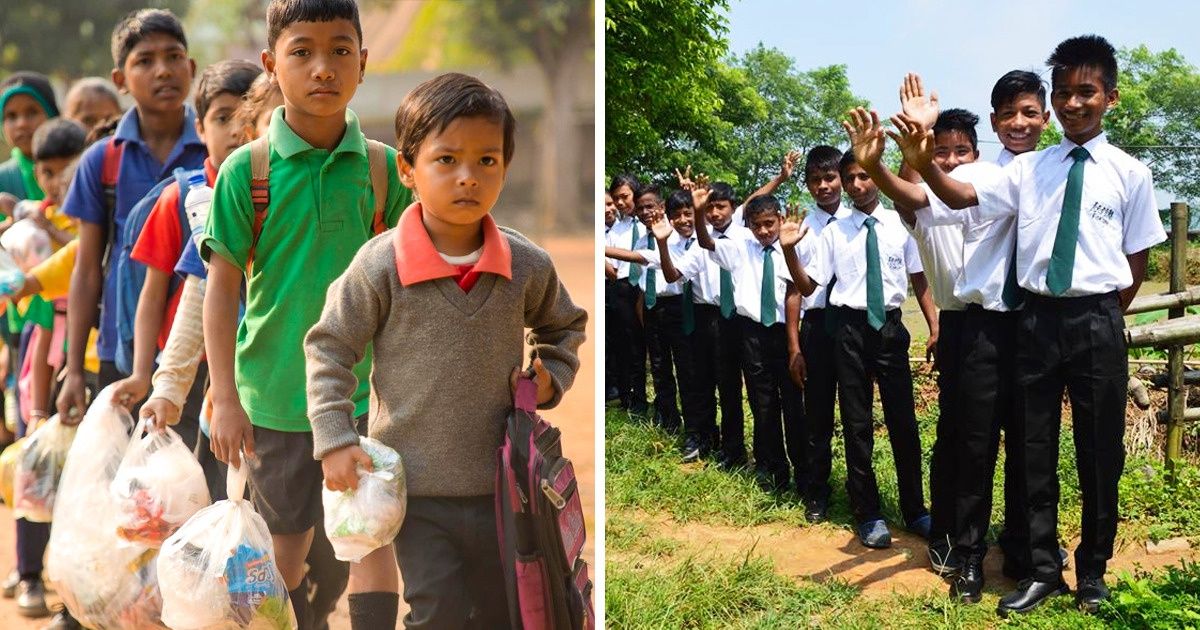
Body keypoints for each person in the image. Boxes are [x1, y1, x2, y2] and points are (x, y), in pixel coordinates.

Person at [892, 35, 1166, 615]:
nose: (1073, 103)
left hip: (1095, 318)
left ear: (1110, 98)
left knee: (1099, 451)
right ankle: (1042, 568)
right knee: (1034, 450)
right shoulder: (1029, 169)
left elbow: (1136, 258)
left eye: (1084, 92)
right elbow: (960, 194)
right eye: (1063, 92)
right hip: (1035, 322)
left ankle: (1093, 570)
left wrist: (1101, 313)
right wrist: (919, 160)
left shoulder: (1130, 173)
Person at [306, 71, 586, 629]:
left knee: (501, 612)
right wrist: (334, 438)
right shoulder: (379, 265)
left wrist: (549, 377)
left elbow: (565, 328)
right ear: (408, 170)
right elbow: (330, 347)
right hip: (417, 490)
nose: (468, 177)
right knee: (438, 611)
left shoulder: (526, 265)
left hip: (504, 488)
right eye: (447, 160)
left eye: (487, 161)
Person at [199, 1, 412, 627]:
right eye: (303, 52)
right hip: (276, 399)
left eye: (341, 50)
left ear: (364, 63)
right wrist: (226, 396)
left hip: (367, 397)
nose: (324, 68)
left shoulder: (382, 168)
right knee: (282, 551)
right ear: (271, 65)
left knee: (372, 538)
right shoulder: (248, 171)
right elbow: (220, 291)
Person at [108, 59, 261, 503]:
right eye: (222, 118)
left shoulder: (277, 192)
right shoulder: (186, 200)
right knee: (207, 485)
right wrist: (147, 374)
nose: (236, 131)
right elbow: (159, 295)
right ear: (200, 126)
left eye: (249, 119)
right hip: (199, 370)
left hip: (268, 369)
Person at [57, 8, 206, 419]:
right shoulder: (103, 161)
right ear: (120, 80)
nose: (164, 71)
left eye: (174, 57)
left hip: (202, 351)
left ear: (191, 67)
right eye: (145, 61)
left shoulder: (217, 152)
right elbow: (87, 269)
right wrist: (72, 370)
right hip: (120, 353)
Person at [783, 150, 936, 549]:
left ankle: (915, 508)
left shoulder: (900, 223)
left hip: (888, 328)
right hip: (848, 332)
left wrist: (936, 326)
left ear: (878, 178)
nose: (856, 185)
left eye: (864, 177)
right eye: (849, 178)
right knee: (857, 424)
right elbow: (809, 286)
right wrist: (788, 251)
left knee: (903, 421)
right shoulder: (836, 231)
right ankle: (867, 512)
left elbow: (919, 279)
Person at [694, 192, 804, 494]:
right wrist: (698, 211)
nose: (764, 231)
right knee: (763, 404)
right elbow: (706, 243)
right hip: (753, 334)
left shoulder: (793, 248)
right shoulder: (741, 248)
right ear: (749, 226)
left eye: (769, 223)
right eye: (757, 225)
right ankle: (776, 472)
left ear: (780, 219)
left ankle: (805, 476)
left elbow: (799, 291)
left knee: (795, 408)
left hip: (787, 334)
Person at [607, 189, 715, 458]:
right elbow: (637, 258)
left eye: (687, 214)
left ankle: (699, 432)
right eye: (678, 215)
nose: (683, 219)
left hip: (688, 309)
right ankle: (673, 424)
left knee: (690, 373)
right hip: (658, 309)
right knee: (661, 368)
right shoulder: (659, 240)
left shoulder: (692, 238)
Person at [793, 145, 850, 523]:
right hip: (815, 328)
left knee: (856, 412)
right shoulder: (800, 227)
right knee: (817, 416)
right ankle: (817, 492)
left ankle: (863, 494)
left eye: (830, 178)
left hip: (850, 325)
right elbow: (794, 290)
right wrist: (794, 346)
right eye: (815, 180)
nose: (824, 186)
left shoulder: (857, 220)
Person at [605, 173, 649, 416]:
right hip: (620, 289)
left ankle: (642, 397)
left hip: (643, 290)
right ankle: (627, 396)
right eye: (616, 198)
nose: (620, 203)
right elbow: (610, 264)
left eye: (624, 197)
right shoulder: (615, 230)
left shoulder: (648, 226)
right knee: (623, 345)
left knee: (641, 346)